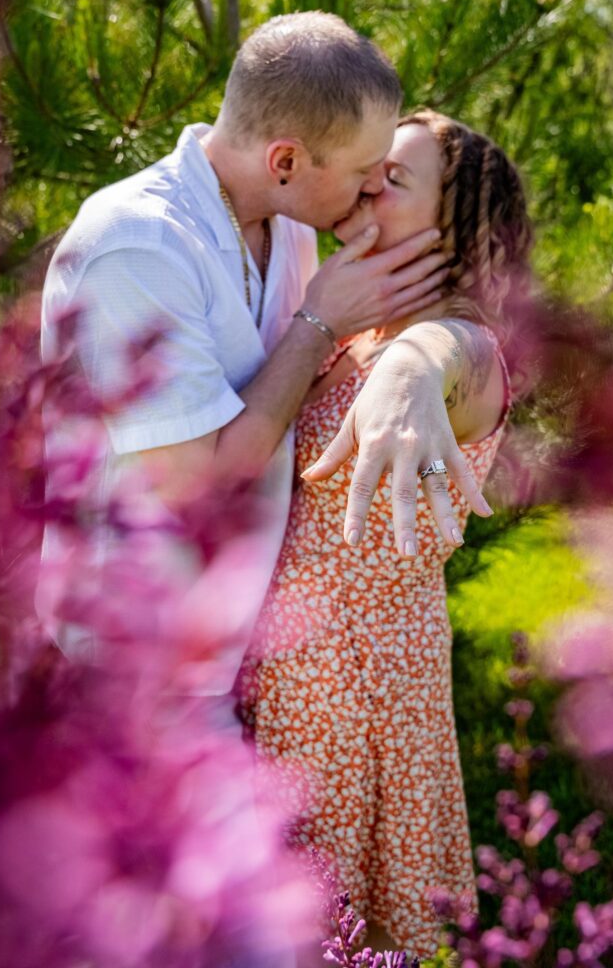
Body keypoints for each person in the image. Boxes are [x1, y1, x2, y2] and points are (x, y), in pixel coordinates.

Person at [39, 12, 492, 687]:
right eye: (364, 170)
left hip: (233, 665)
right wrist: (318, 321)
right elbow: (205, 479)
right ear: (285, 161)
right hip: (125, 674)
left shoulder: (291, 231)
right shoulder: (138, 244)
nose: (371, 188)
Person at [240, 109, 532, 958]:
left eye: (394, 178)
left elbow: (445, 356)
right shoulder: (348, 330)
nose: (368, 183)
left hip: (362, 708)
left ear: (453, 225)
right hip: (285, 684)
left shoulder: (468, 350)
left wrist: (409, 370)